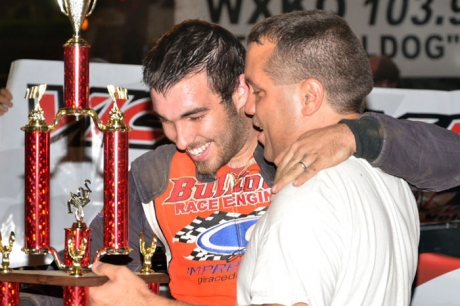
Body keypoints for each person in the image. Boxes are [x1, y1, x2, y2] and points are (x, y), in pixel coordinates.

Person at [237, 10, 419, 305]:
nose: (248, 107)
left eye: (258, 91)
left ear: (309, 96)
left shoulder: (305, 190)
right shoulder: (391, 178)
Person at [89, 19, 276, 306]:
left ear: (240, 91)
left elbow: (362, 123)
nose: (181, 140)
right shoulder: (153, 174)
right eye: (166, 121)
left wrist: (352, 135)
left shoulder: (296, 151)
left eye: (195, 117)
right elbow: (84, 265)